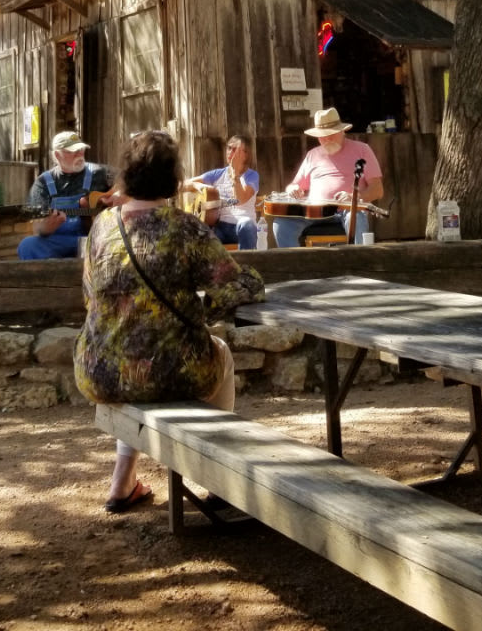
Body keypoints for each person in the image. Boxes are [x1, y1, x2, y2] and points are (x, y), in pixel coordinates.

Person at [75, 131, 264, 513]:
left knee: (133, 362)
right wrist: (254, 279)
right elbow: (233, 290)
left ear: (126, 176)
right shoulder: (184, 227)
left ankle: (122, 482)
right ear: (174, 180)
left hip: (100, 369)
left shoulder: (103, 225)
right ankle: (219, 477)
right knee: (220, 355)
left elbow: (89, 296)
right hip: (172, 372)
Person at [285, 108, 384, 247]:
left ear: (342, 131)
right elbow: (294, 185)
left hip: (347, 210)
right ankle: (293, 266)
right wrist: (293, 189)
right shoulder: (312, 155)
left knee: (356, 217)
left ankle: (359, 264)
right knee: (282, 224)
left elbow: (377, 190)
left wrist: (355, 197)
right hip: (314, 212)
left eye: (332, 133)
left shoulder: (362, 150)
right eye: (322, 135)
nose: (328, 138)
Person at [18, 131, 120, 260]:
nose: (79, 154)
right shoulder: (43, 183)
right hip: (58, 242)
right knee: (27, 245)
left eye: (81, 149)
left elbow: (130, 181)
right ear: (57, 155)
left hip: (93, 239)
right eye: (72, 151)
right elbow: (37, 227)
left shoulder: (100, 173)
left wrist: (117, 195)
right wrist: (46, 228)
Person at [184, 136, 260, 249]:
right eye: (229, 148)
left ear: (245, 154)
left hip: (241, 227)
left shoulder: (252, 176)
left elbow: (241, 199)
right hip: (219, 226)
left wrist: (236, 175)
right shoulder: (217, 174)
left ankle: (247, 265)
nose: (230, 152)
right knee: (197, 233)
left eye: (236, 150)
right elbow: (182, 185)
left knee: (248, 225)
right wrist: (195, 185)